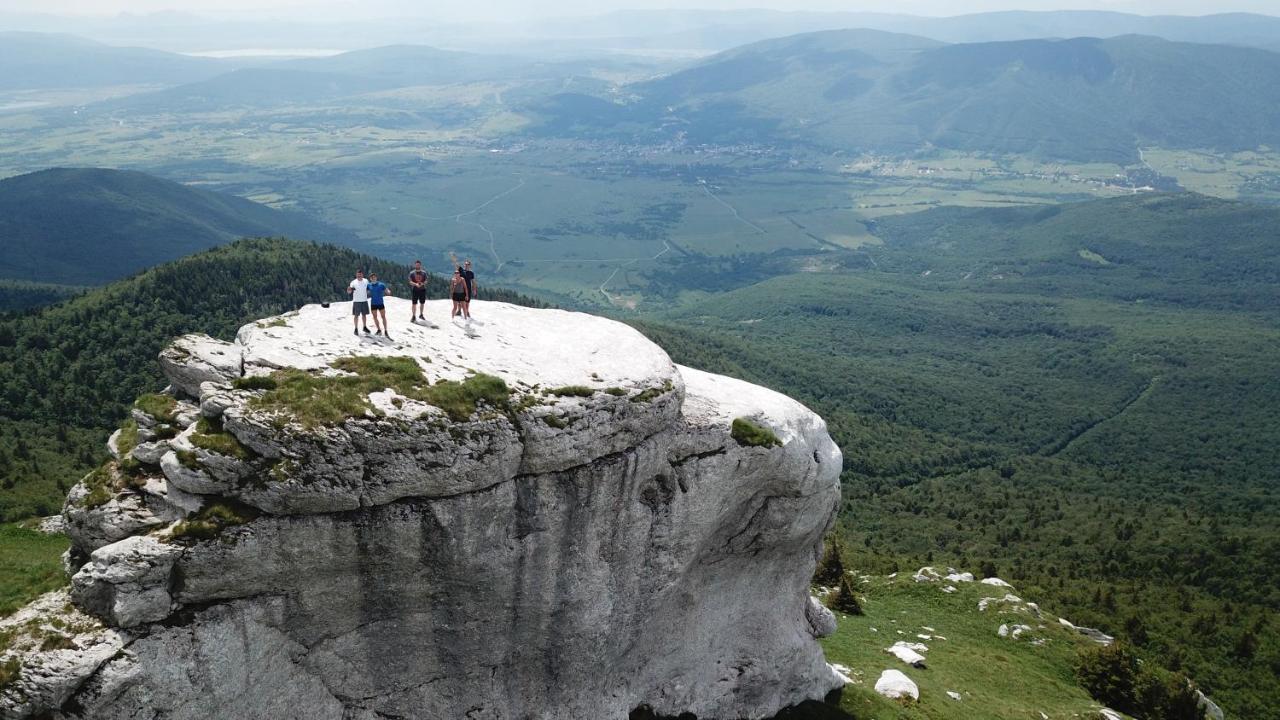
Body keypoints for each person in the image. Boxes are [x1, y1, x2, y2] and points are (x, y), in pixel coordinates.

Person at [367, 272, 391, 339]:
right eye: (372, 278)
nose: (373, 278)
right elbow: (366, 291)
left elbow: (386, 290)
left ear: (376, 278)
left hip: (380, 303)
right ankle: (379, 330)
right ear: (370, 279)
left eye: (374, 277)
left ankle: (386, 330)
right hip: (373, 303)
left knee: (383, 317)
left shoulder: (381, 284)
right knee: (375, 317)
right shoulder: (369, 285)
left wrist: (388, 291)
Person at [347, 269, 371, 336]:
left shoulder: (366, 281)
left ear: (362, 275)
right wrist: (348, 290)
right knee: (356, 315)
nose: (359, 276)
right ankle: (356, 328)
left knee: (364, 315)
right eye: (358, 274)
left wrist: (369, 291)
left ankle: (364, 327)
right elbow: (349, 291)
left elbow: (369, 288)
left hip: (364, 300)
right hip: (356, 301)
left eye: (360, 274)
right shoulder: (353, 282)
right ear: (356, 275)